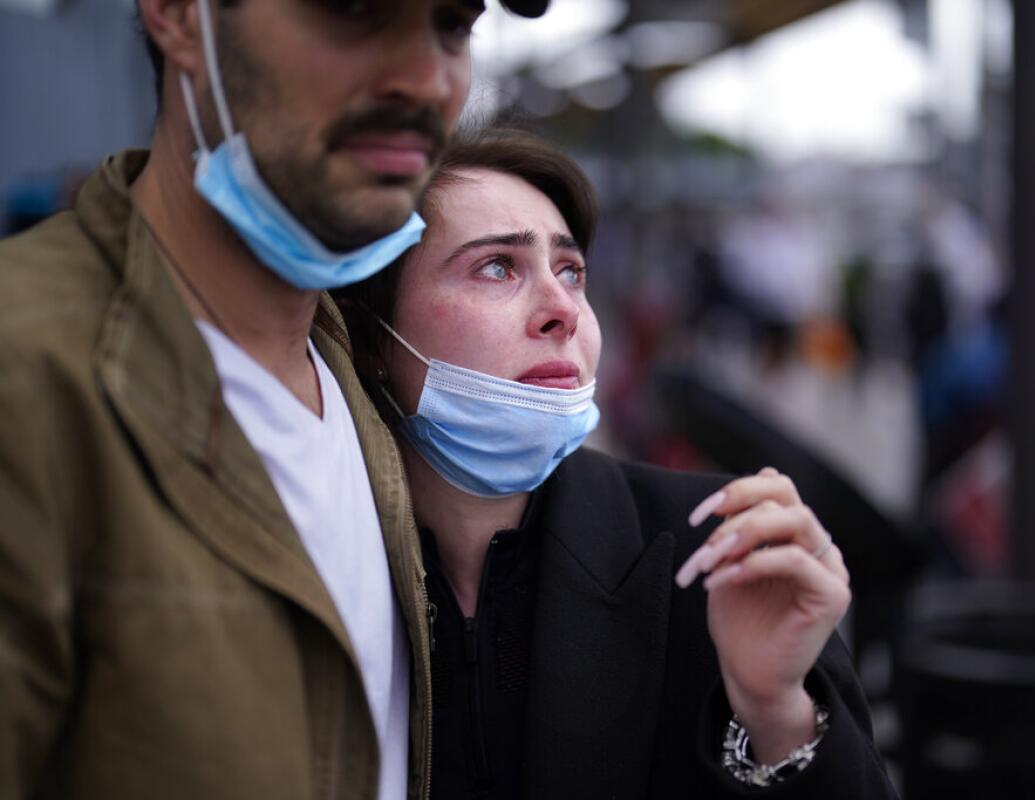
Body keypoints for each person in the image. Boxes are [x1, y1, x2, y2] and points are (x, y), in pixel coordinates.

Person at [0, 1, 548, 798]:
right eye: (357, 10)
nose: (428, 80)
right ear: (180, 18)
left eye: (453, 23)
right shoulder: (28, 382)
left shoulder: (353, 375)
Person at [336, 130, 897, 798]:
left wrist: (776, 712)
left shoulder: (711, 549)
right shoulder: (324, 563)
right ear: (371, 337)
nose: (562, 310)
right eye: (497, 267)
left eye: (570, 272)